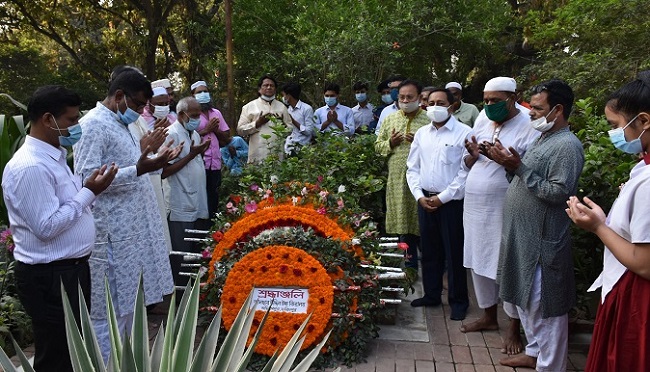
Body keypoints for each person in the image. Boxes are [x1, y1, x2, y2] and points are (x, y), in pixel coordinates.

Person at [1, 86, 116, 372]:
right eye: (71, 120)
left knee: (72, 350)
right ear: (47, 119)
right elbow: (46, 226)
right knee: (56, 356)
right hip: (50, 277)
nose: (77, 127)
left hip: (70, 271)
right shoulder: (30, 166)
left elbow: (65, 206)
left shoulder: (55, 156)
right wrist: (89, 192)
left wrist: (86, 189)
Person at [73, 68, 180, 362]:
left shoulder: (120, 125)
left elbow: (130, 164)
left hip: (129, 234)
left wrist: (153, 160)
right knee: (106, 314)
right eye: (136, 105)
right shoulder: (93, 125)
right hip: (109, 235)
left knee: (127, 310)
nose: (138, 112)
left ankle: (125, 364)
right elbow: (86, 178)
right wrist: (139, 168)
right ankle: (103, 365)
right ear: (119, 96)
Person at [490, 79, 583, 370]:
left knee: (545, 309)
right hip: (523, 237)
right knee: (527, 304)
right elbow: (527, 178)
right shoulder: (543, 139)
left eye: (538, 108)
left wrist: (519, 168)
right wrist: (510, 166)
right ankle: (534, 353)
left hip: (542, 243)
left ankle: (551, 365)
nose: (530, 113)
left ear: (558, 110)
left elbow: (558, 193)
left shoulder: (567, 146)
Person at [566, 73, 650, 372]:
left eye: (616, 126)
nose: (615, 134)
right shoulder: (644, 167)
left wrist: (598, 227)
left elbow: (644, 263)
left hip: (636, 298)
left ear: (644, 120)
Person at [460, 77, 539, 355]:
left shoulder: (530, 123)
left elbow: (530, 167)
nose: (490, 105)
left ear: (513, 97)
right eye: (486, 99)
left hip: (505, 205)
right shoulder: (482, 117)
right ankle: (489, 316)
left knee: (505, 264)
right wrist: (472, 155)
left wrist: (504, 160)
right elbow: (468, 159)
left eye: (496, 100)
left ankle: (513, 326)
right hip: (475, 205)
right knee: (478, 259)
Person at [406, 88, 472, 320]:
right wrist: (419, 196)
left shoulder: (465, 133)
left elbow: (465, 173)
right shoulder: (422, 133)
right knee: (430, 250)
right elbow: (412, 167)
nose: (435, 107)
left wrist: (442, 197)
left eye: (441, 103)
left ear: (452, 106)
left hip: (451, 203)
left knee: (453, 253)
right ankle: (432, 294)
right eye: (431, 102)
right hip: (425, 200)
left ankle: (458, 301)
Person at [375, 80, 429, 270]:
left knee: (423, 226)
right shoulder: (390, 118)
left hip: (423, 182)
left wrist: (421, 143)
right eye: (402, 97)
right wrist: (390, 142)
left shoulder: (429, 120)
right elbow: (378, 147)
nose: (405, 101)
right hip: (397, 181)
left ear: (420, 98)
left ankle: (431, 270)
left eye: (409, 97)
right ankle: (409, 270)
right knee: (403, 228)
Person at [161, 96, 210, 288]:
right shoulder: (170, 135)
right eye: (194, 115)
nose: (198, 119)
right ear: (181, 115)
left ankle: (193, 293)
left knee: (194, 253)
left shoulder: (195, 134)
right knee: (181, 255)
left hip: (197, 202)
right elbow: (163, 172)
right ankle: (180, 299)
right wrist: (191, 155)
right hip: (180, 203)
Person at [190, 80, 230, 217]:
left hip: (215, 164)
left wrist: (215, 130)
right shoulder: (190, 115)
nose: (203, 94)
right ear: (193, 95)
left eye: (205, 91)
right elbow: (187, 137)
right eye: (199, 92)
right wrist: (207, 130)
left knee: (214, 197)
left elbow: (226, 138)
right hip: (200, 163)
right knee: (200, 198)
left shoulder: (216, 113)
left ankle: (212, 229)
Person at [237, 75, 292, 163]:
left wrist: (282, 125)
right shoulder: (249, 107)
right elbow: (240, 130)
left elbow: (290, 130)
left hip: (277, 156)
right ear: (259, 89)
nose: (269, 87)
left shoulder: (282, 107)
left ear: (275, 89)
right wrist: (257, 124)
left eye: (272, 85)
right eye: (266, 85)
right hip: (257, 156)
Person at [280, 82, 315, 154]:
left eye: (284, 95)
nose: (283, 98)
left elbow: (309, 131)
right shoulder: (288, 110)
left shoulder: (306, 109)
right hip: (289, 148)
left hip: (303, 149)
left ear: (289, 96)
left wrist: (293, 121)